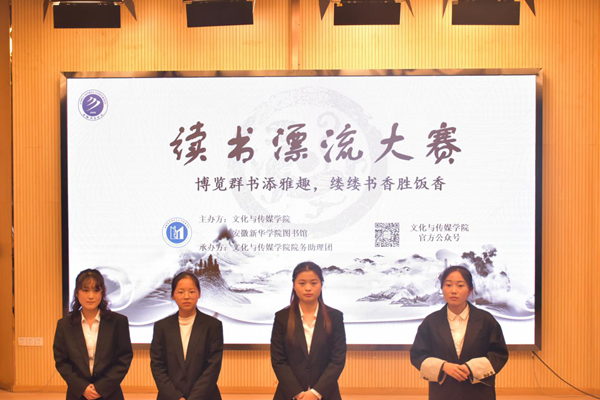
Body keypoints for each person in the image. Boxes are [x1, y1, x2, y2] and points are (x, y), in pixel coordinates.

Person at [410, 266, 509, 400]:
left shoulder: (486, 320)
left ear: (470, 290)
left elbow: (499, 353)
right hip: (443, 392)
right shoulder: (431, 322)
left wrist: (471, 368)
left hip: (479, 392)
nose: (453, 291)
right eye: (448, 285)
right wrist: (444, 366)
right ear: (442, 289)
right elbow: (417, 355)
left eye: (460, 285)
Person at [270, 261, 347, 400]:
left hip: (326, 394)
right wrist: (298, 393)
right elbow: (279, 360)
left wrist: (315, 393)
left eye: (313, 283)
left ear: (321, 285)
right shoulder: (282, 317)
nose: (308, 288)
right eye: (302, 283)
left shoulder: (335, 317)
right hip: (289, 395)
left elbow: (337, 360)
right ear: (294, 285)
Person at [53, 269, 133, 400]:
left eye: (96, 290)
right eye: (85, 290)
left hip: (110, 393)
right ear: (77, 293)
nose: (91, 296)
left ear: (102, 293)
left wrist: (101, 388)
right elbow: (61, 361)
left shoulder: (118, 322)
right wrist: (82, 388)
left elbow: (123, 358)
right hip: (78, 394)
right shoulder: (65, 325)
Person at [150, 271, 223, 400]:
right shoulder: (162, 327)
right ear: (173, 295)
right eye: (180, 292)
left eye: (191, 291)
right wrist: (176, 397)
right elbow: (157, 366)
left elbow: (213, 368)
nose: (186, 296)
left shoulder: (213, 326)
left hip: (205, 396)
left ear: (199, 294)